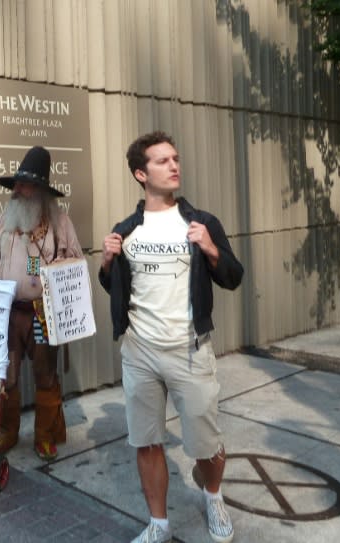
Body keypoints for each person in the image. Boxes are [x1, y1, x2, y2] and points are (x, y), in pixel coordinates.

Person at [99, 131, 243, 543]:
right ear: (141, 174)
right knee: (147, 443)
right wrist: (108, 263)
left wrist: (212, 249)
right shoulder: (126, 230)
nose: (174, 165)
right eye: (163, 161)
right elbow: (117, 288)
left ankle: (213, 495)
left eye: (175, 158)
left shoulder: (200, 223)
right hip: (140, 352)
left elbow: (233, 276)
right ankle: (158, 524)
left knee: (207, 446)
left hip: (190, 350)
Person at [0, 146, 83, 461]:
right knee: (7, 374)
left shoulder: (60, 223)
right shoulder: (4, 221)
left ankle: (45, 436)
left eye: (25, 185)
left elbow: (74, 262)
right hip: (8, 314)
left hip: (43, 314)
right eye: (16, 184)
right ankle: (8, 431)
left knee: (46, 375)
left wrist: (55, 274)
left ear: (41, 191)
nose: (17, 191)